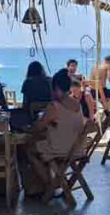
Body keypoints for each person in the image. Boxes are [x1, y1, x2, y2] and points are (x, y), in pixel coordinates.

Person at [25, 70, 86, 202]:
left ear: (57, 88)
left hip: (61, 149)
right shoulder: (77, 104)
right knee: (42, 145)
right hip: (76, 148)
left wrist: (28, 128)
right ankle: (52, 183)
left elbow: (37, 127)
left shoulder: (55, 107)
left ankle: (50, 185)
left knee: (30, 149)